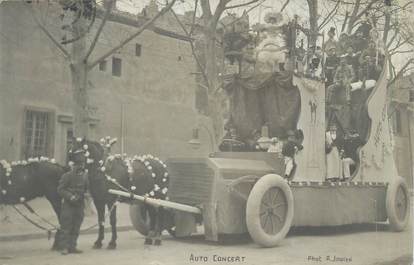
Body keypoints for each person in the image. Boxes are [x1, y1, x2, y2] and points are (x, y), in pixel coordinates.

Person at [58, 149, 89, 255]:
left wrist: (86, 195)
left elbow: (87, 190)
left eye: (82, 165)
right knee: (66, 226)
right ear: (74, 165)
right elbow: (60, 189)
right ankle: (65, 247)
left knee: (76, 226)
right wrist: (70, 196)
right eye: (78, 165)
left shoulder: (85, 177)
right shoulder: (67, 176)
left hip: (79, 205)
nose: (80, 167)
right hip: (68, 205)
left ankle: (73, 246)